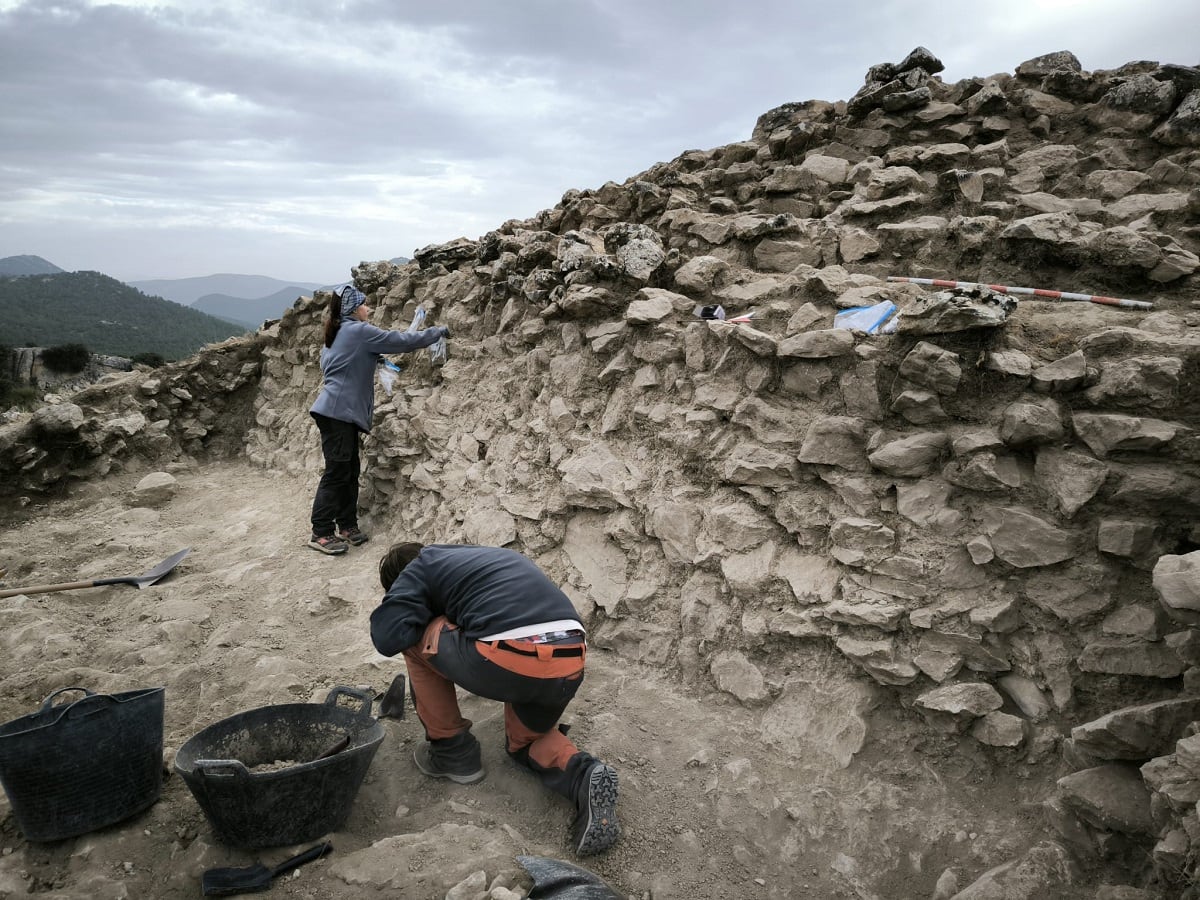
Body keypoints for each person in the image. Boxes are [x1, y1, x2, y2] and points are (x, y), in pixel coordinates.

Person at [369, 542, 621, 857]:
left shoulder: (420, 566)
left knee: (416, 637)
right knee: (524, 744)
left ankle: (451, 752)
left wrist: (413, 607)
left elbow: (387, 635)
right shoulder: (484, 559)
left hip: (513, 657)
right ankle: (583, 774)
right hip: (570, 660)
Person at [307, 286, 448, 555]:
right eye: (364, 305)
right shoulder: (358, 331)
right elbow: (402, 342)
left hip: (336, 412)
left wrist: (371, 358)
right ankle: (321, 532)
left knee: (349, 470)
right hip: (338, 413)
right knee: (337, 473)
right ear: (352, 308)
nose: (368, 309)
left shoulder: (338, 333)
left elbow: (334, 364)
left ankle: (347, 525)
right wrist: (436, 333)